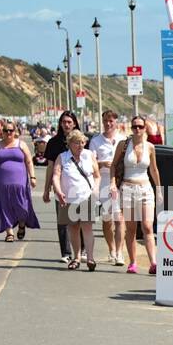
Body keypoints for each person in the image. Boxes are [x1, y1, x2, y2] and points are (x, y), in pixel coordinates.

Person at [113, 115, 162, 274]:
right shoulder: (123, 144)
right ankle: (132, 262)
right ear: (131, 128)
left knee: (148, 226)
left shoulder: (150, 147)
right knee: (131, 228)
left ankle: (153, 262)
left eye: (141, 126)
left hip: (145, 188)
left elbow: (154, 169)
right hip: (127, 187)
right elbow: (113, 166)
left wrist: (159, 189)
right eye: (135, 127)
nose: (138, 130)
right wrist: (113, 184)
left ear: (145, 128)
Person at [0, 121, 41, 242]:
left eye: (11, 130)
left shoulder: (21, 144)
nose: (8, 133)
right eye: (6, 130)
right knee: (3, 205)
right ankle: (9, 232)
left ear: (15, 131)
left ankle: (22, 224)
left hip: (20, 182)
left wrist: (32, 177)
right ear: (2, 132)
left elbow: (29, 161)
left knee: (21, 205)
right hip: (0, 181)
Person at [51, 131, 99, 271]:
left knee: (87, 227)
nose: (80, 145)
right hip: (69, 197)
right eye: (77, 142)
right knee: (73, 228)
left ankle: (90, 258)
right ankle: (76, 257)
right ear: (70, 144)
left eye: (82, 142)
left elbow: (96, 175)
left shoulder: (89, 155)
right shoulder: (62, 157)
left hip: (86, 196)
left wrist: (95, 190)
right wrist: (58, 191)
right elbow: (56, 175)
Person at [41, 111, 85, 261]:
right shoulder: (53, 143)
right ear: (60, 124)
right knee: (63, 221)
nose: (66, 125)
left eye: (69, 122)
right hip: (61, 187)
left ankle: (82, 251)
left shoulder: (83, 141)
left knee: (81, 220)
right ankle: (66, 253)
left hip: (80, 187)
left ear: (74, 123)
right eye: (64, 122)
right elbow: (50, 167)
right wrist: (46, 189)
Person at [88, 110, 123, 265]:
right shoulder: (96, 141)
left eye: (111, 121)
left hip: (121, 182)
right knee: (107, 219)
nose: (108, 124)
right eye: (105, 121)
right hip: (103, 182)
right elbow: (91, 162)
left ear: (116, 122)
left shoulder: (123, 139)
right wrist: (102, 164)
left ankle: (120, 252)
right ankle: (112, 249)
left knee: (120, 219)